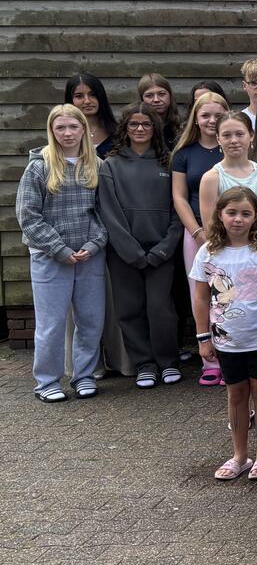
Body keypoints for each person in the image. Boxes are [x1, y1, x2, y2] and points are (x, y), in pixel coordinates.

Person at [190, 187, 257, 481]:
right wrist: (203, 337)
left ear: (256, 216)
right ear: (219, 214)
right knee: (235, 395)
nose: (238, 219)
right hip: (226, 340)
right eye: (231, 213)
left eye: (245, 213)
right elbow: (200, 297)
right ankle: (239, 455)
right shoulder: (208, 252)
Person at [19, 105, 107, 402]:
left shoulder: (97, 165)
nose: (67, 133)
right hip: (49, 257)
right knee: (52, 324)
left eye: (73, 127)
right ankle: (47, 382)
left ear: (84, 129)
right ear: (52, 131)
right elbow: (28, 216)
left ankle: (84, 376)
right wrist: (59, 249)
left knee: (91, 320)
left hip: (89, 256)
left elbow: (106, 214)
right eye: (60, 128)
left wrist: (93, 245)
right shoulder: (39, 167)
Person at [98, 104, 183, 388]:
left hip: (161, 252)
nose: (140, 129)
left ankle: (167, 362)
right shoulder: (110, 165)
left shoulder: (168, 163)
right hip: (123, 254)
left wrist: (164, 248)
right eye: (133, 124)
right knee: (129, 309)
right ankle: (144, 364)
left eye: (146, 124)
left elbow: (178, 210)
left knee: (160, 308)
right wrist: (132, 252)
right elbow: (109, 213)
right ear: (125, 128)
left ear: (155, 128)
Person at [171, 92, 229, 386]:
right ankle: (210, 360)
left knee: (229, 294)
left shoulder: (231, 145)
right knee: (201, 293)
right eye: (205, 115)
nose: (212, 120)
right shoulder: (184, 153)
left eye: (218, 115)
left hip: (232, 233)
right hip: (196, 234)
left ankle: (229, 355)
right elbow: (179, 197)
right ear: (196, 118)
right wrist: (197, 231)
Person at [199, 112, 257, 245]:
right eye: (226, 135)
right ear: (218, 139)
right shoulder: (211, 178)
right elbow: (210, 226)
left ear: (251, 135)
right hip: (226, 251)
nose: (234, 140)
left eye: (239, 134)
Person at [64, 73, 116, 158]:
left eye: (93, 95)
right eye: (79, 96)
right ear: (70, 100)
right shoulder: (64, 134)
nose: (87, 101)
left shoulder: (119, 133)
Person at [138, 73, 181, 147]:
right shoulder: (136, 130)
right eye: (149, 96)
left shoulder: (181, 127)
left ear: (170, 96)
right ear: (142, 99)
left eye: (161, 94)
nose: (156, 100)